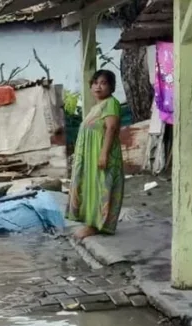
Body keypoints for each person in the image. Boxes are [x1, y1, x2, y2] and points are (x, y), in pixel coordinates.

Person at [66, 69, 124, 239]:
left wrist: (104, 154)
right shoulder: (96, 107)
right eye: (95, 82)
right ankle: (91, 222)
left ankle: (97, 225)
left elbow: (111, 128)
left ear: (111, 87)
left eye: (103, 83)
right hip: (91, 156)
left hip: (101, 153)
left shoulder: (111, 103)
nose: (98, 86)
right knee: (91, 188)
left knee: (102, 187)